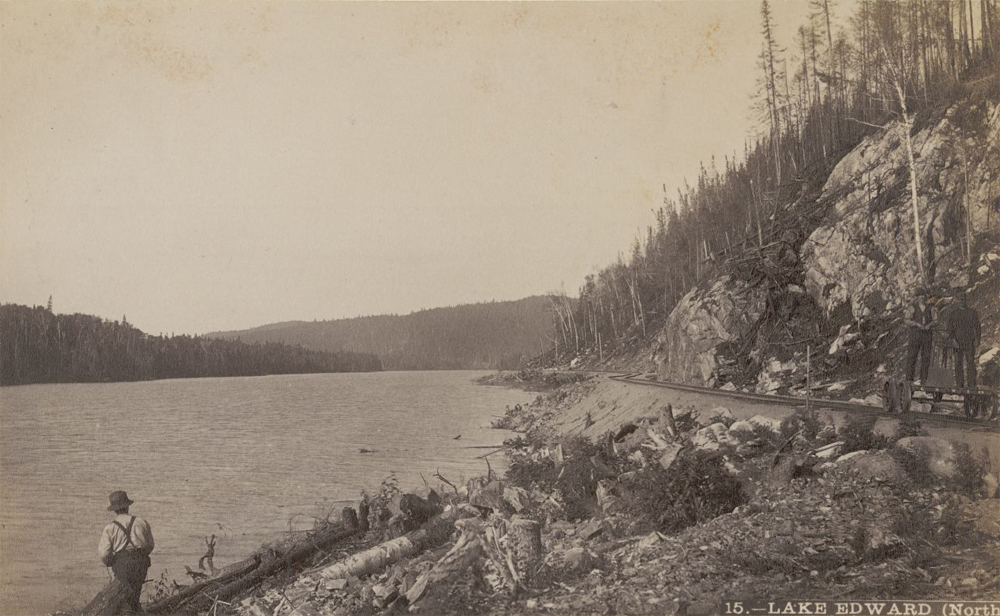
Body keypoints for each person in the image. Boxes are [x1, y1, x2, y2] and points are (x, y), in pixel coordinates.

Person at [98, 490, 154, 614]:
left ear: (114, 509)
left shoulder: (110, 528)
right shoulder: (141, 522)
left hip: (123, 566)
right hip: (141, 563)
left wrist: (111, 562)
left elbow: (104, 554)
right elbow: (150, 546)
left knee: (123, 598)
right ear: (128, 505)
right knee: (135, 595)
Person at [946, 288, 981, 389]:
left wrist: (977, 339)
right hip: (957, 342)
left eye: (963, 299)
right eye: (960, 299)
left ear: (966, 300)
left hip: (969, 342)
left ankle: (971, 384)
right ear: (957, 300)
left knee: (970, 363)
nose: (962, 301)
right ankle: (959, 385)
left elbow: (977, 327)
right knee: (958, 364)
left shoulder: (972, 312)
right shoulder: (953, 314)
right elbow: (949, 330)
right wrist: (953, 341)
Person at [903, 287, 937, 384]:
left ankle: (924, 380)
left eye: (923, 295)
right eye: (920, 295)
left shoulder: (931, 307)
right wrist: (916, 324)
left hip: (927, 335)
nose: (922, 297)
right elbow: (906, 320)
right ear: (916, 297)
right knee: (912, 357)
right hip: (915, 335)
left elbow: (936, 320)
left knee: (926, 357)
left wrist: (929, 325)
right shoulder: (912, 307)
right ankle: (909, 380)